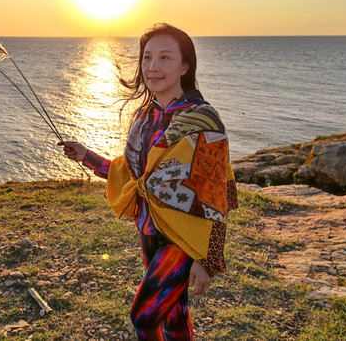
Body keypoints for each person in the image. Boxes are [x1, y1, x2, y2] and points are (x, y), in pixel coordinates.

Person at [59, 23, 238, 340]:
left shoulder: (203, 119)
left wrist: (206, 259)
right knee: (174, 315)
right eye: (147, 58)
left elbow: (215, 195)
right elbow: (133, 175)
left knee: (144, 317)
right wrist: (86, 156)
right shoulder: (144, 117)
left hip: (183, 236)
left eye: (165, 57)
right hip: (148, 228)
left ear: (184, 66)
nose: (153, 66)